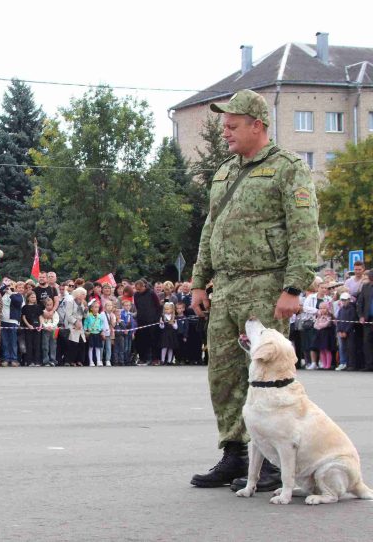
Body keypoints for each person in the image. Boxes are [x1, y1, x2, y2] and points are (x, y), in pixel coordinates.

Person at [190, 89, 320, 492]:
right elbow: (210, 230)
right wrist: (198, 280)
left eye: (232, 126)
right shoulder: (225, 172)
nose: (225, 133)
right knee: (224, 375)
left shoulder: (288, 168)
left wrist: (294, 285)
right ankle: (235, 454)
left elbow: (304, 229)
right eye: (224, 126)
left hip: (267, 284)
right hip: (226, 287)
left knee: (268, 378)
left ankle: (274, 464)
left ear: (257, 125)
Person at [20, 290, 42, 367]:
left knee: (37, 344)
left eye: (35, 297)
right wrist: (28, 325)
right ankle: (29, 361)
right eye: (32, 297)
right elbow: (24, 317)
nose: (34, 298)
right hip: (28, 328)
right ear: (28, 298)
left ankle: (37, 361)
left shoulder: (38, 307)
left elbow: (40, 316)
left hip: (37, 327)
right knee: (29, 344)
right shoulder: (25, 307)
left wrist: (41, 325)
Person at [312, 301, 335, 370]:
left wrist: (320, 324)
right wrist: (318, 320)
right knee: (321, 350)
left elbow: (326, 324)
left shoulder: (329, 316)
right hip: (320, 334)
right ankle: (324, 364)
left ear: (327, 309)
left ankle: (328, 365)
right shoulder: (319, 317)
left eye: (324, 308)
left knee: (327, 349)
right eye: (320, 308)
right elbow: (315, 325)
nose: (322, 310)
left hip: (327, 334)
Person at [40, 297, 59, 367]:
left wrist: (52, 326)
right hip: (46, 330)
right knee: (45, 346)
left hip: (54, 330)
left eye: (51, 304)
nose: (49, 306)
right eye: (47, 305)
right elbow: (41, 320)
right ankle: (46, 361)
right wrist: (46, 326)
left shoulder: (55, 312)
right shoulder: (43, 312)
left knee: (53, 345)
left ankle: (53, 360)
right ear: (45, 305)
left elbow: (56, 320)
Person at [84, 300, 103, 366]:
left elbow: (101, 324)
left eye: (97, 307)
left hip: (97, 333)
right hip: (91, 333)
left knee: (98, 348)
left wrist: (100, 329)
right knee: (91, 348)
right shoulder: (89, 315)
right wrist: (86, 329)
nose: (96, 309)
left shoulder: (99, 316)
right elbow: (85, 323)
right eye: (95, 307)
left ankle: (98, 361)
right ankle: (91, 361)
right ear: (91, 308)